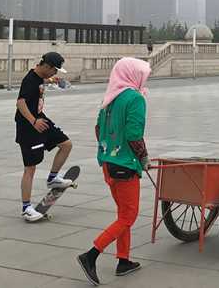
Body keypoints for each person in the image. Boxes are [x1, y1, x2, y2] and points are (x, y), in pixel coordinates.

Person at [77, 57, 151, 285]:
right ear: (133, 75)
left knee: (123, 214)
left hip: (108, 163)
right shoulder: (135, 99)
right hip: (126, 165)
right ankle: (91, 255)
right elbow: (133, 135)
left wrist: (108, 150)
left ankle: (123, 260)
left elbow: (98, 129)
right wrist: (144, 158)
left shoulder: (110, 97)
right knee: (129, 215)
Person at [15, 52, 73, 222]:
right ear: (46, 66)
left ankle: (53, 178)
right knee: (30, 168)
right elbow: (20, 102)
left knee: (66, 144)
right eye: (54, 71)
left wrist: (51, 81)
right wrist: (33, 121)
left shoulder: (40, 77)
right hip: (29, 127)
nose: (55, 74)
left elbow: (41, 83)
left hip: (42, 120)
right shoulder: (30, 80)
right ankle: (26, 208)